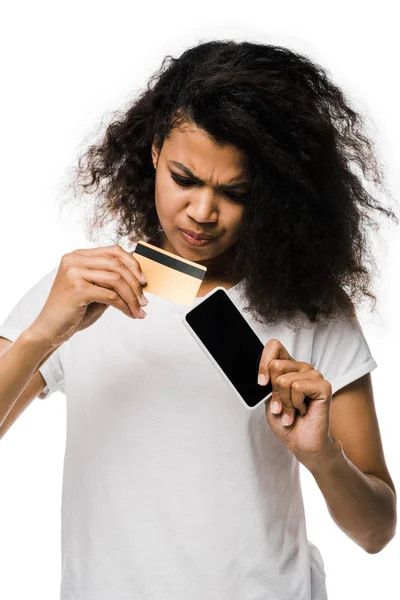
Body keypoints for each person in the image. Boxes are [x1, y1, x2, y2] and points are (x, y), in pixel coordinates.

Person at [0, 39, 398, 600]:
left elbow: (378, 532)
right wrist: (44, 332)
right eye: (185, 179)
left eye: (233, 192)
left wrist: (321, 455)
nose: (202, 213)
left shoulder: (312, 307)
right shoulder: (82, 290)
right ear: (156, 151)